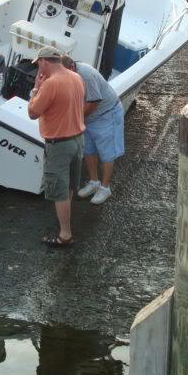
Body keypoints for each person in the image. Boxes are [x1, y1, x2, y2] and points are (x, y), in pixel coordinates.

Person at [27, 46, 85, 247]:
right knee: (68, 186)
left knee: (58, 190)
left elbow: (33, 112)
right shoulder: (75, 77)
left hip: (59, 144)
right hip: (78, 140)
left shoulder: (50, 84)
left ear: (44, 61)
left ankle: (65, 234)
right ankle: (65, 221)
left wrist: (35, 90)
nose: (38, 69)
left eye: (38, 64)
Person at [61, 56, 124, 205]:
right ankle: (94, 182)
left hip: (106, 114)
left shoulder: (86, 74)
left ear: (71, 67)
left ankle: (105, 188)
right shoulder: (68, 75)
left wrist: (75, 117)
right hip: (89, 118)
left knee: (107, 153)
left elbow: (94, 102)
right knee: (88, 150)